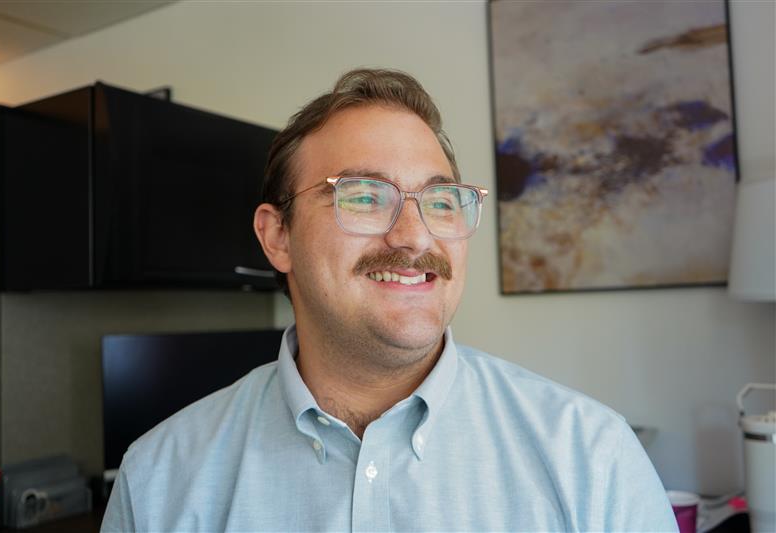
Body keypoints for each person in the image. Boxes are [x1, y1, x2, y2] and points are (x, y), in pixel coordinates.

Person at [101, 68, 677, 532]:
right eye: (364, 196)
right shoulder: (159, 480)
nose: (413, 236)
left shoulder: (592, 456)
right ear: (278, 237)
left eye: (441, 202)